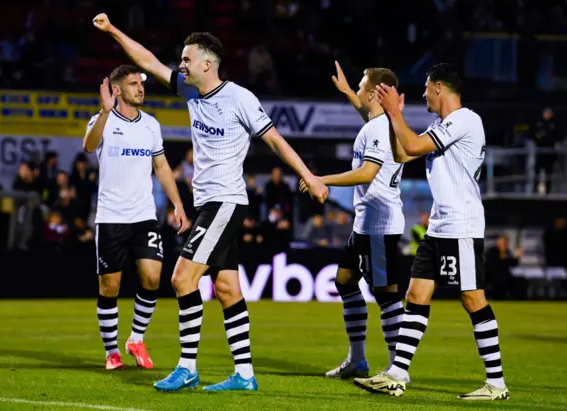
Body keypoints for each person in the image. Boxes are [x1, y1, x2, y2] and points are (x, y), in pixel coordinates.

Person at [93, 13, 328, 392]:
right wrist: (114, 31)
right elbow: (147, 62)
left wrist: (309, 176)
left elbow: (275, 141)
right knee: (229, 290)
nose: (180, 65)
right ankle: (245, 375)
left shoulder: (239, 98)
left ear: (206, 63)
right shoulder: (190, 92)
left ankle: (187, 367)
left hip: (226, 202)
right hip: (208, 205)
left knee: (181, 278)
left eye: (186, 59)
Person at [354, 63, 510, 401]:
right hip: (439, 227)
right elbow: (403, 151)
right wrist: (393, 118)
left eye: (426, 88)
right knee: (416, 296)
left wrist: (395, 113)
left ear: (439, 87)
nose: (423, 94)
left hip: (461, 225)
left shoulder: (465, 120)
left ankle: (496, 383)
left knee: (472, 299)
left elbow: (410, 145)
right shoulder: (441, 124)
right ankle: (397, 373)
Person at [300, 64, 405, 380]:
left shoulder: (377, 128)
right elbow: (366, 112)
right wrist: (347, 91)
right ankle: (357, 360)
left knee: (386, 294)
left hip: (379, 223)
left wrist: (321, 179)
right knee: (344, 281)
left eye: (361, 87)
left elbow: (367, 173)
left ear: (375, 92)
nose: (359, 91)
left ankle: (395, 368)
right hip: (366, 222)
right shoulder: (380, 124)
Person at [83, 64, 190, 371]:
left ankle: (136, 338)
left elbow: (162, 167)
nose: (140, 88)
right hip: (111, 218)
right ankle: (111, 352)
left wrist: (178, 205)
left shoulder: (151, 126)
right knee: (109, 288)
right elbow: (89, 146)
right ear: (117, 90)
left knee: (153, 277)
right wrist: (104, 112)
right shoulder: (101, 120)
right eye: (132, 84)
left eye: (141, 84)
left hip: (144, 216)